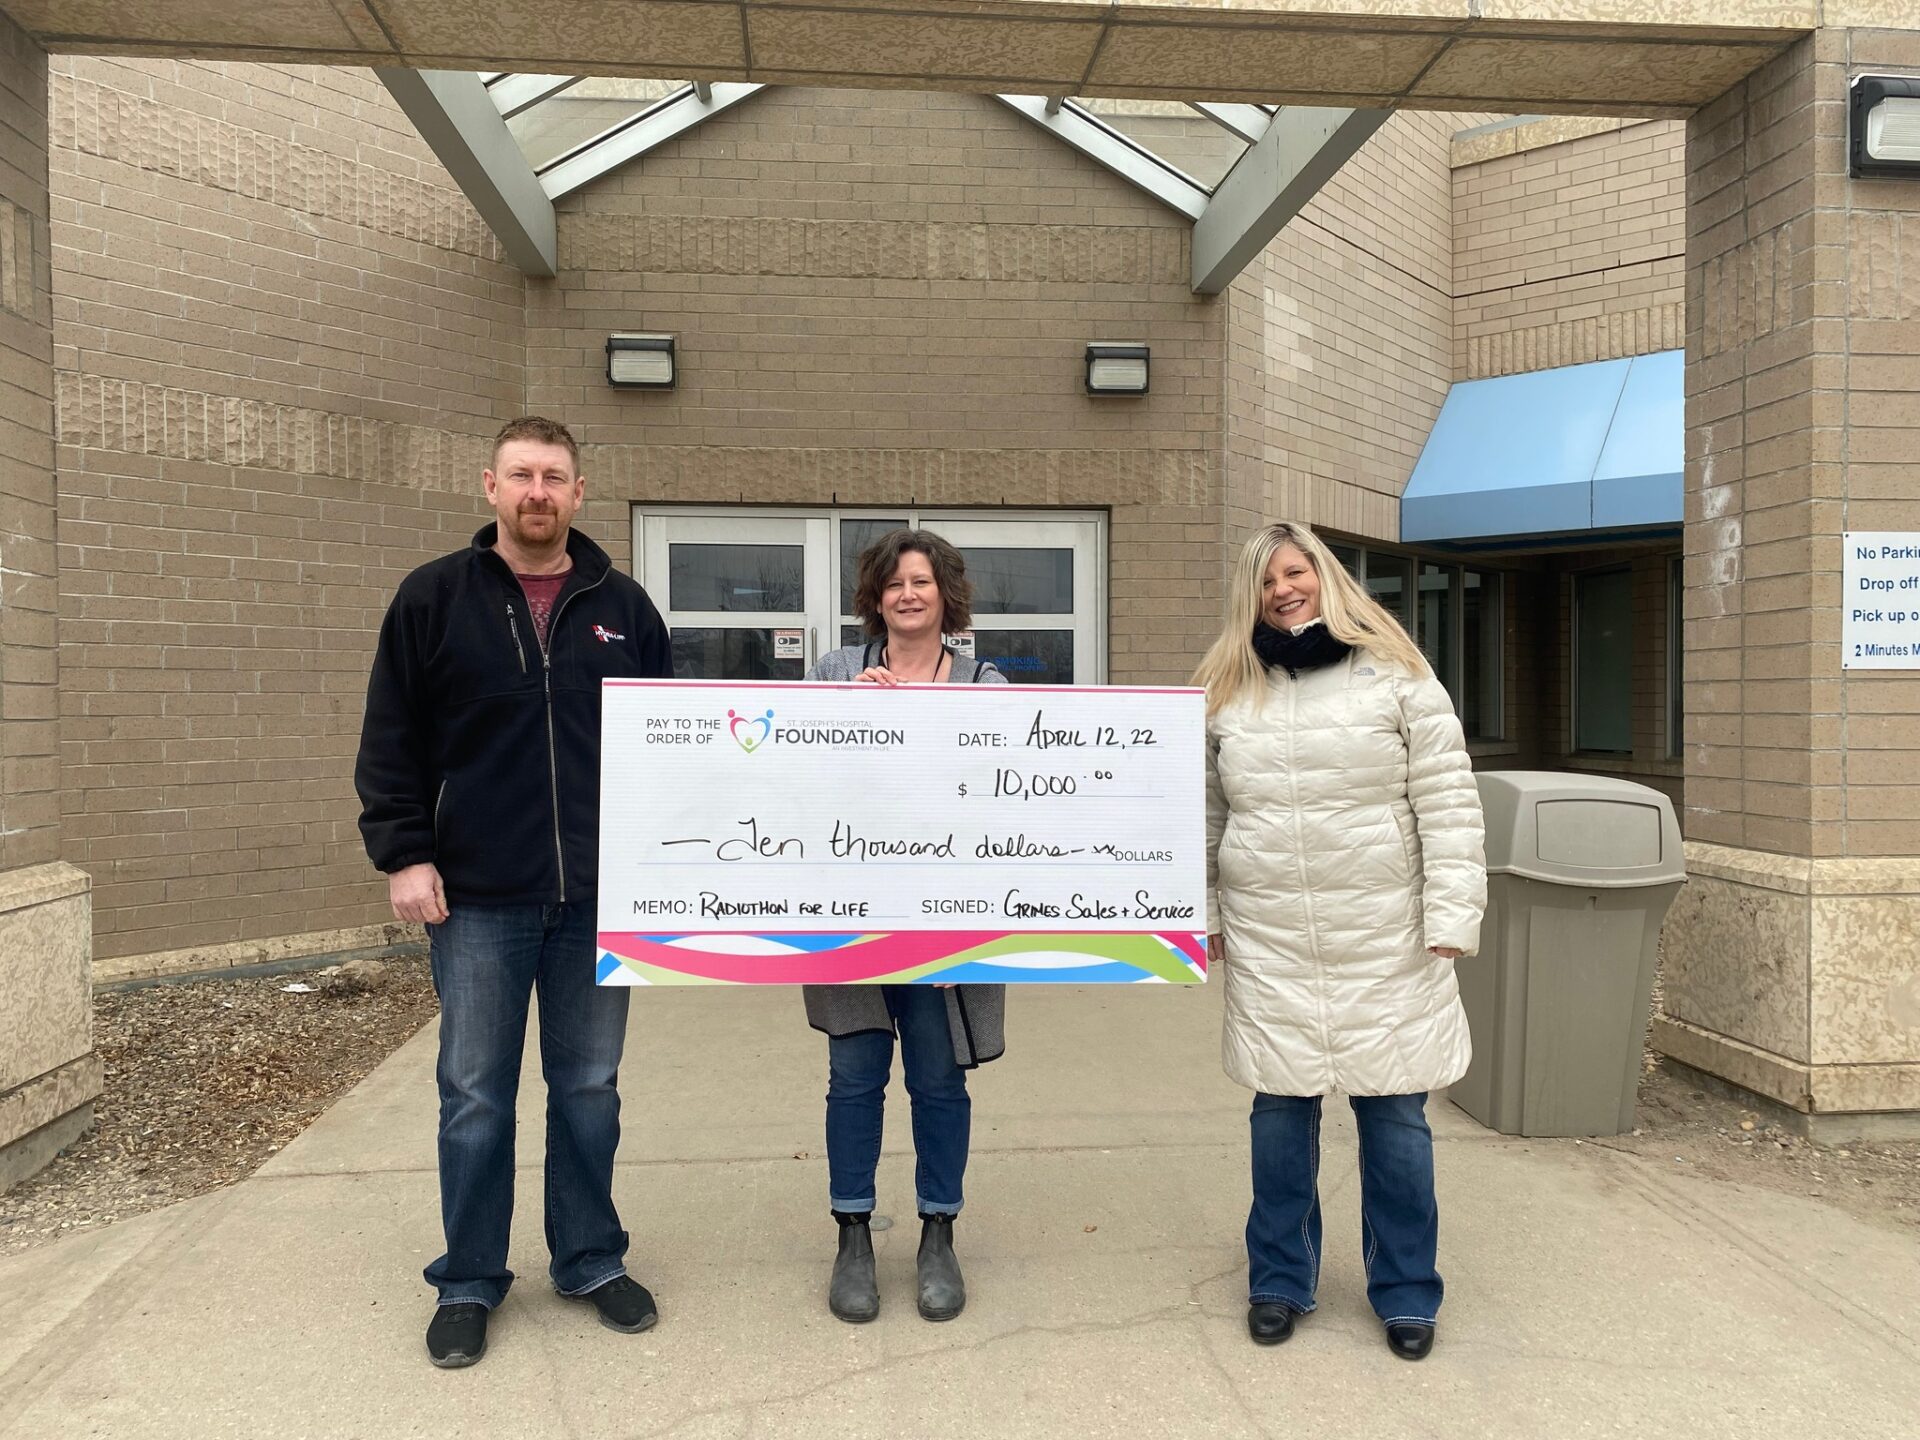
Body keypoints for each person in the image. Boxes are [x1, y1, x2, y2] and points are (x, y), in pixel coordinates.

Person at [355, 416, 672, 1368]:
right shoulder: (433, 600)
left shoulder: (626, 607)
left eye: (556, 477)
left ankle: (588, 1258)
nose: (539, 491)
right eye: (522, 475)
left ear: (580, 494)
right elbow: (391, 737)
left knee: (587, 1090)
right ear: (489, 487)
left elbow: (673, 748)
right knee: (476, 1095)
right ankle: (469, 1278)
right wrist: (404, 853)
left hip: (599, 899)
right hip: (478, 898)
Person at [1194, 522, 1485, 1362]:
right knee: (1279, 1118)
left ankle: (1405, 1290)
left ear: (1325, 577)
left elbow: (1448, 799)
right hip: (1273, 939)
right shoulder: (1226, 689)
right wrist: (1201, 914)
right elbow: (1204, 812)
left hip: (1384, 938)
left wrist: (1452, 913)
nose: (1284, 590)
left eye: (1297, 573)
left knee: (1394, 1121)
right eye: (1266, 581)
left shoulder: (1396, 675)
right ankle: (1279, 1278)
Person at [801, 528, 1007, 1324]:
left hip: (949, 920)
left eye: (922, 581)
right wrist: (850, 723)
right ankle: (852, 1231)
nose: (909, 595)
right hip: (851, 913)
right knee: (854, 1075)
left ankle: (937, 1232)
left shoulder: (985, 684)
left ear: (946, 595)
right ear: (875, 596)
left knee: (938, 1076)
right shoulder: (834, 676)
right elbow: (792, 781)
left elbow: (1003, 793)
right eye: (895, 583)